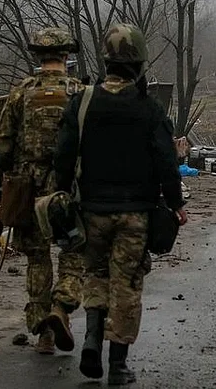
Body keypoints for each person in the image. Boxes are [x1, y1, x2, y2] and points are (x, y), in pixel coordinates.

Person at [54, 23, 187, 385]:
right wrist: (175, 203)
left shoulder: (83, 102)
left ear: (106, 60)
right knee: (126, 282)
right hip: (136, 214)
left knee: (96, 274)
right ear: (139, 62)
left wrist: (61, 193)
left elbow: (64, 154)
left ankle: (92, 341)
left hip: (92, 210)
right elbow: (165, 160)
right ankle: (118, 364)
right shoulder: (148, 108)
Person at [0, 27, 85, 355]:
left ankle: (43, 328)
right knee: (73, 252)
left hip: (28, 187)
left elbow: (0, 147)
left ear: (38, 56)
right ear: (66, 55)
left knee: (37, 257)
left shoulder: (21, 93)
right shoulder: (80, 93)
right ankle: (62, 307)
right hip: (67, 186)